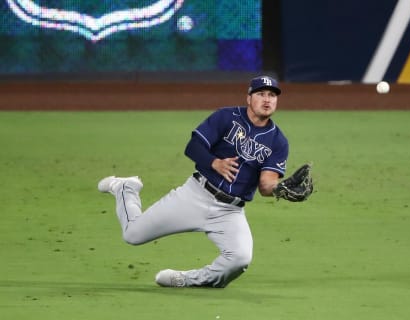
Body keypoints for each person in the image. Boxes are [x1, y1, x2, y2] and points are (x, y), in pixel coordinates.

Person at [98, 76, 291, 288]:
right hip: (194, 196)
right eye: (261, 94)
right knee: (132, 235)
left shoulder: (278, 141)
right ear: (248, 97)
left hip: (229, 211)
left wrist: (280, 189)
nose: (267, 100)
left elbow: (266, 185)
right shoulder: (226, 117)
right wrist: (214, 162)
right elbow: (193, 147)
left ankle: (188, 279)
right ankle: (126, 189)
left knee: (240, 258)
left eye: (272, 95)